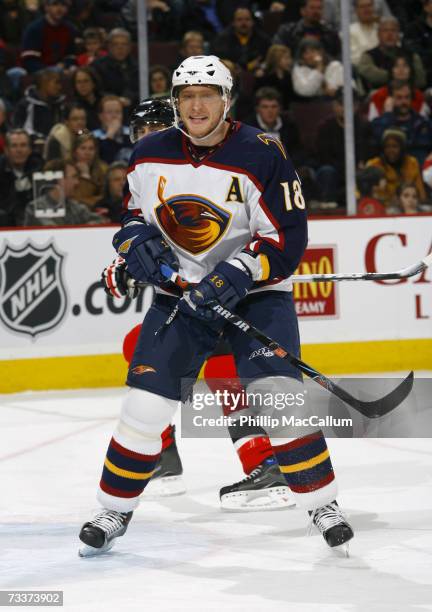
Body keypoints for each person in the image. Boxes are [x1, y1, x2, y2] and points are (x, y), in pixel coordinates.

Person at [78, 55, 354, 557]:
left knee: (278, 401)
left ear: (227, 101)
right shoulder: (147, 153)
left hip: (255, 299)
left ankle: (322, 505)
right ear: (176, 103)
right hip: (178, 299)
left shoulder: (262, 153)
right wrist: (135, 242)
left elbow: (286, 240)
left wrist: (237, 272)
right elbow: (134, 215)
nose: (197, 105)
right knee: (143, 408)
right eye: (187, 97)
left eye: (207, 95)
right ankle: (113, 508)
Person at [23, 158, 107, 226]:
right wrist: (83, 229)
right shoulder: (36, 208)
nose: (77, 182)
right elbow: (53, 232)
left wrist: (89, 225)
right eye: (74, 177)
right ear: (59, 179)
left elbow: (102, 220)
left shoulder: (74, 206)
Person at [357, 16, 426, 93]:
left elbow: (421, 80)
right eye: (385, 30)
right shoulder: (368, 56)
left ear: (399, 35)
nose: (389, 34)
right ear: (378, 34)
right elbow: (370, 75)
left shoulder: (412, 55)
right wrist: (401, 75)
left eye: (393, 30)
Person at [370, 81, 432, 166]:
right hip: (391, 174)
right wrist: (388, 115)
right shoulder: (380, 123)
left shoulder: (424, 124)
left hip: (420, 174)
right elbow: (379, 140)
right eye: (399, 98)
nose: (404, 102)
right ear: (391, 99)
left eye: (407, 97)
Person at [366, 128, 427, 207]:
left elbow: (421, 193)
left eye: (395, 146)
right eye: (387, 146)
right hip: (382, 210)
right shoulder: (374, 165)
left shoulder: (412, 163)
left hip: (409, 209)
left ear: (402, 148)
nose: (390, 150)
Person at [20, 0, 79, 74]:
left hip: (63, 71)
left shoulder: (70, 29)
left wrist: (65, 65)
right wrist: (51, 70)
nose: (59, 8)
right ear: (46, 7)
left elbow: (71, 56)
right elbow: (29, 61)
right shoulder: (34, 29)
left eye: (64, 5)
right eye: (55, 4)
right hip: (40, 73)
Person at [0, 128, 43, 226]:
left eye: (23, 145)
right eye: (14, 146)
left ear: (29, 150)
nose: (19, 150)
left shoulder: (39, 167)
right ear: (6, 150)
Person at [367, 54, 430, 121]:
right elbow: (372, 126)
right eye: (396, 66)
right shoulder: (378, 95)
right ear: (391, 70)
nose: (401, 69)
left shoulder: (419, 96)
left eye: (405, 66)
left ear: (411, 70)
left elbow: (424, 126)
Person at [273, 0, 341, 60]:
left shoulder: (330, 34)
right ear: (302, 11)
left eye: (319, 8)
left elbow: (339, 58)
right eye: (312, 8)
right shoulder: (287, 32)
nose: (316, 11)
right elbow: (278, 55)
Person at [13, 67, 66, 142]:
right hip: (32, 148)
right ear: (44, 83)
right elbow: (18, 131)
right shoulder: (25, 105)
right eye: (56, 82)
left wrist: (84, 134)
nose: (60, 87)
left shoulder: (61, 105)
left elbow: (77, 128)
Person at [211, 6, 271, 72]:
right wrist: (248, 66)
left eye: (247, 19)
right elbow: (220, 61)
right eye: (239, 20)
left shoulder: (263, 39)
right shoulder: (222, 39)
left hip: (258, 75)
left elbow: (267, 60)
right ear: (233, 22)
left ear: (253, 22)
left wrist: (262, 68)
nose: (243, 23)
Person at [91, 28, 139, 109]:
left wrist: (130, 98)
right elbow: (96, 91)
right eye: (116, 44)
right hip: (106, 109)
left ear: (130, 47)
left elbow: (140, 89)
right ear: (109, 46)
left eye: (124, 44)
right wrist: (115, 100)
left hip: (133, 109)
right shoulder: (97, 66)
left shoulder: (137, 67)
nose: (120, 48)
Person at [70, 131, 108, 208]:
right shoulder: (67, 170)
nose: (87, 153)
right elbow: (73, 199)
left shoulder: (103, 169)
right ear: (75, 152)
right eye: (83, 148)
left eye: (91, 149)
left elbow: (105, 198)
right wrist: (85, 175)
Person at [92, 95, 131, 164]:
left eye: (118, 112)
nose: (114, 116)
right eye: (109, 112)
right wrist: (110, 134)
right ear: (101, 116)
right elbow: (103, 160)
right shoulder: (94, 137)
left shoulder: (131, 133)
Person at [71, 67, 103, 131]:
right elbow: (77, 132)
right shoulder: (72, 107)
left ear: (93, 83)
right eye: (78, 82)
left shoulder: (105, 102)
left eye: (86, 81)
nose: (82, 85)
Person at [350, 0, 379, 66]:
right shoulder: (349, 32)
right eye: (362, 7)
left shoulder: (382, 29)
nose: (366, 10)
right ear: (356, 10)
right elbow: (354, 59)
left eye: (369, 6)